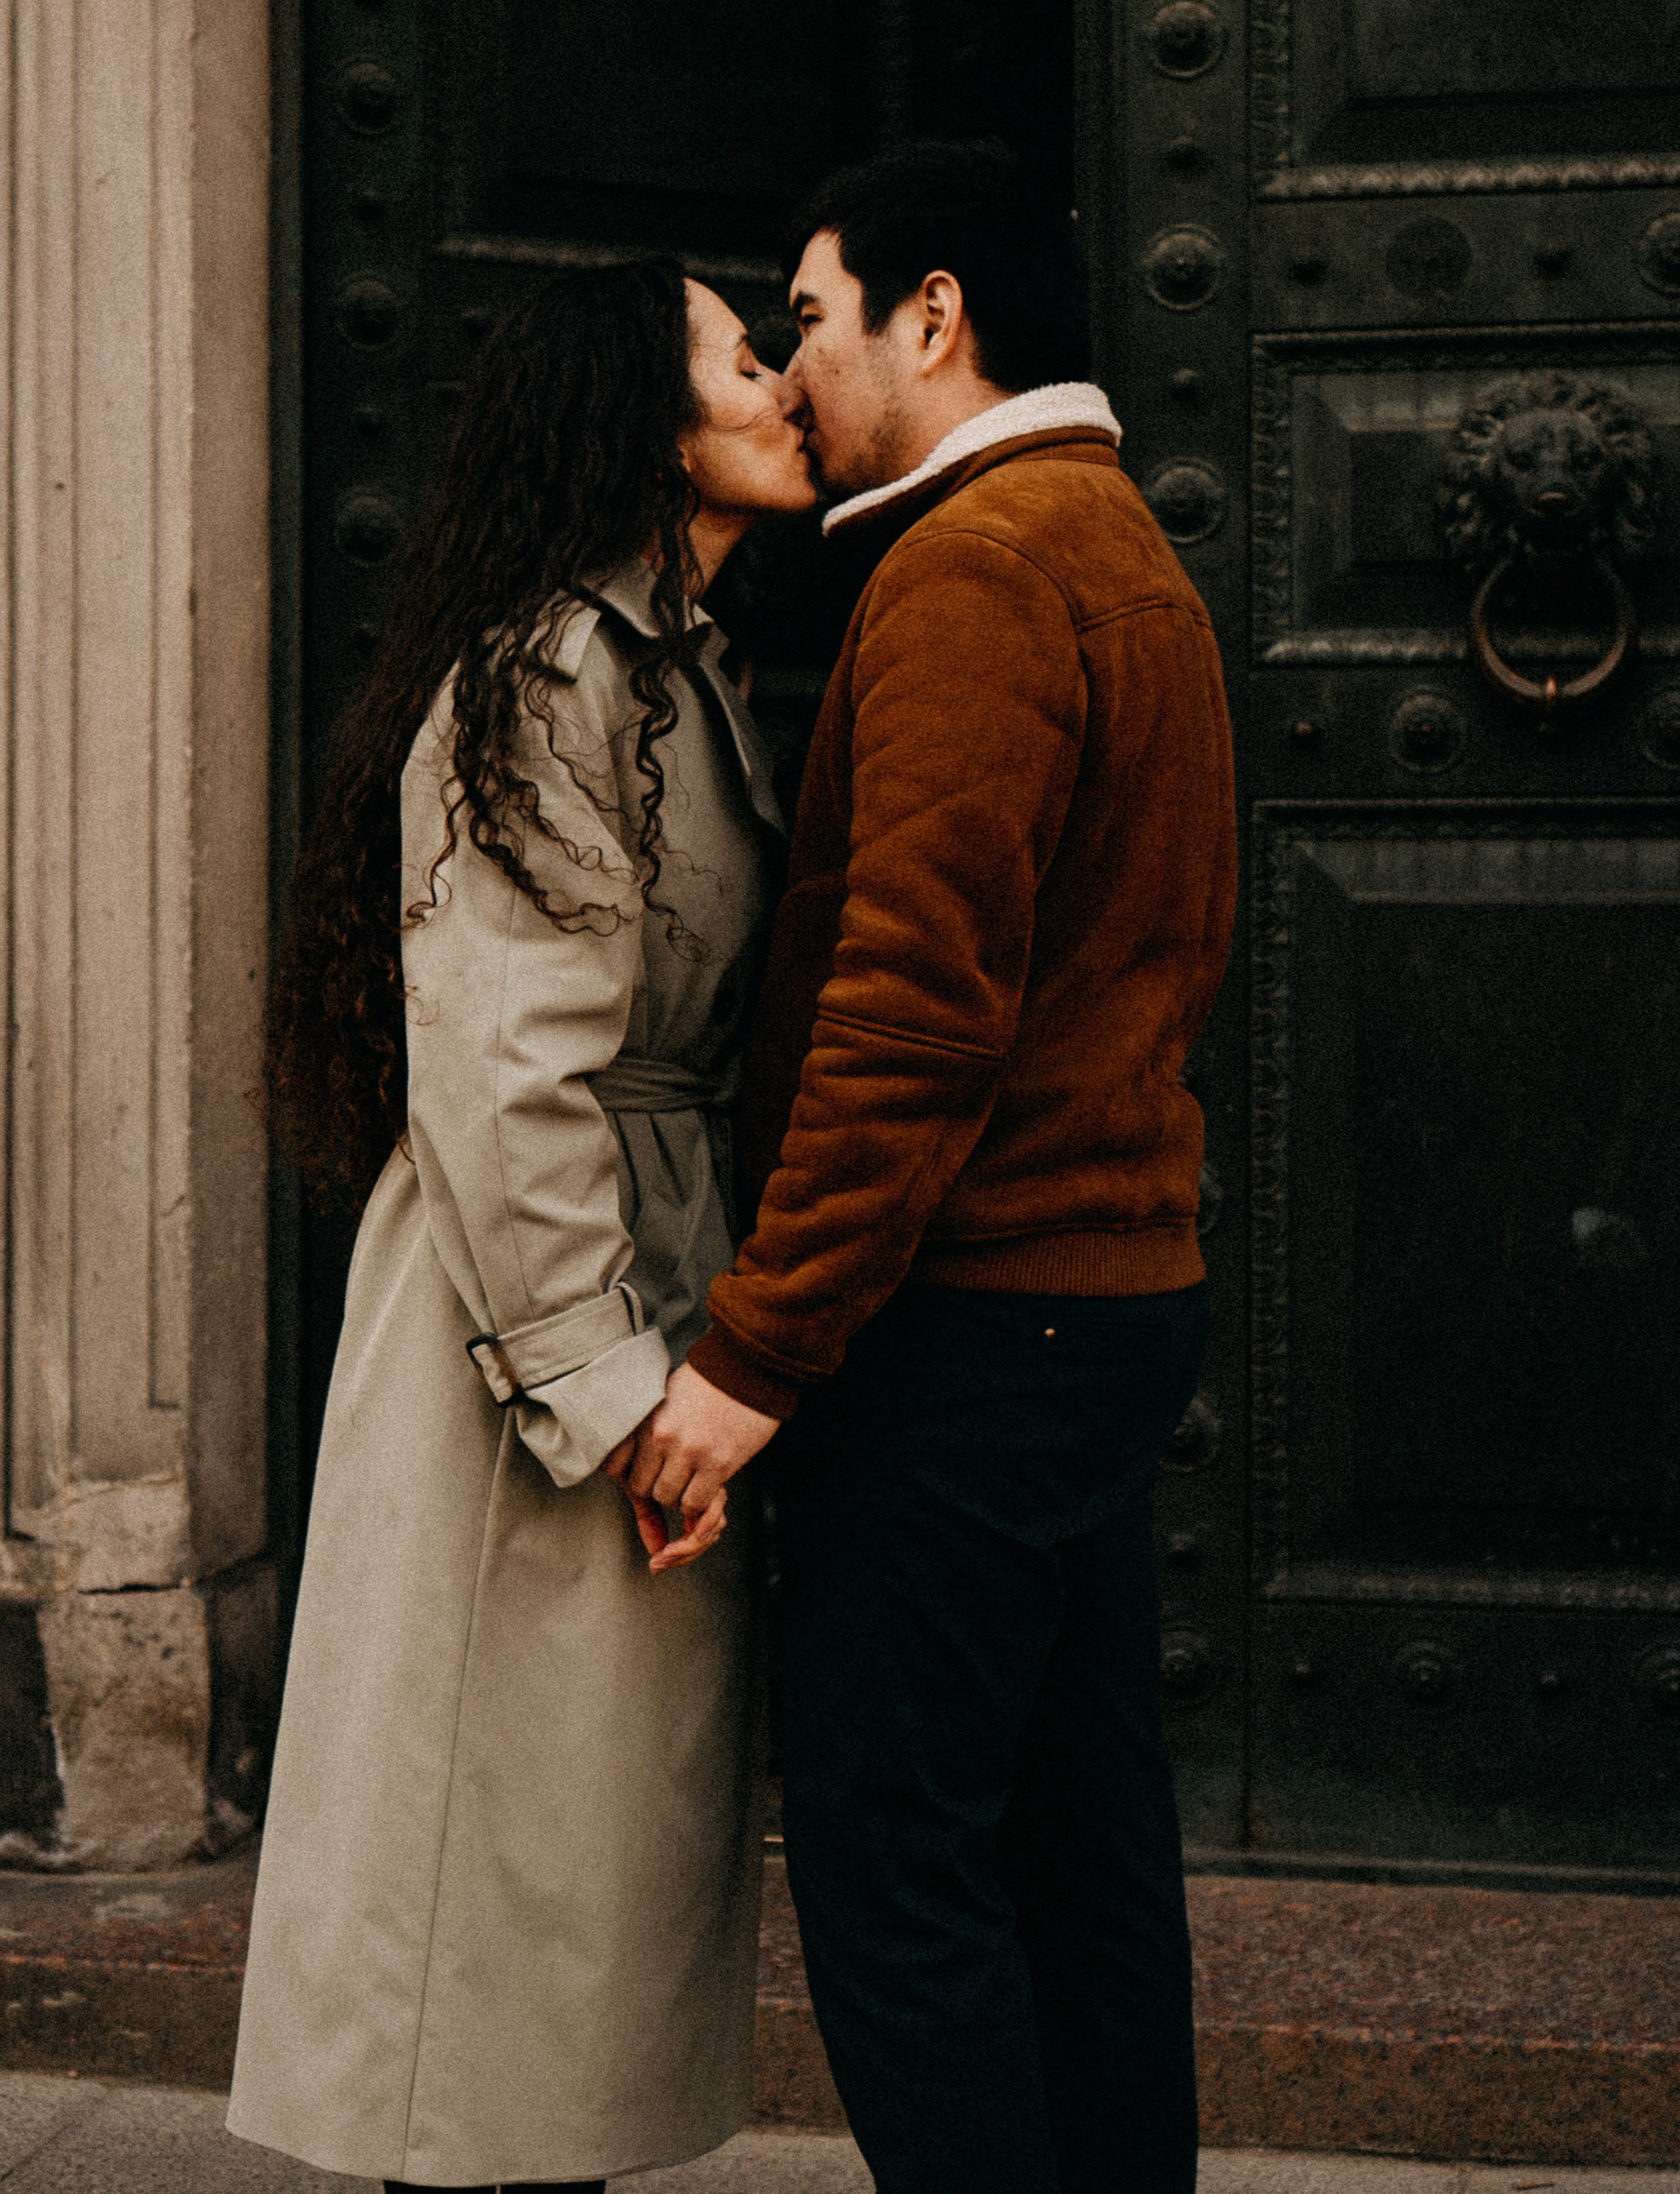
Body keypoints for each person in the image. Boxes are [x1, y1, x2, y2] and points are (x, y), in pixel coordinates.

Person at [615, 140, 1238, 2193]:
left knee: (898, 1870)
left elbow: (916, 1004)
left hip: (973, 1327)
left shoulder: (978, 566)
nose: (791, 372)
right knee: (1078, 1852)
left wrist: (755, 1351)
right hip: (1102, 1301)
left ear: (934, 317)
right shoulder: (1118, 539)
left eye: (807, 319)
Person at [226, 260, 816, 2191]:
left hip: (633, 1256)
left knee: (559, 1902)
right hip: (533, 1315)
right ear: (654, 421)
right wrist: (612, 1380)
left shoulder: (670, 661)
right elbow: (497, 1062)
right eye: (750, 355)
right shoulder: (560, 671)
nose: (789, 379)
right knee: (490, 1898)